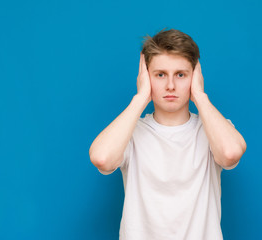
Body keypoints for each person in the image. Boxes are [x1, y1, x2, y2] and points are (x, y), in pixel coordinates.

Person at [89, 28, 247, 240]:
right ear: (146, 77)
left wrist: (199, 95)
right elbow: (102, 158)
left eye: (181, 75)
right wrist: (141, 97)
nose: (170, 85)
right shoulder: (130, 132)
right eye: (160, 75)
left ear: (195, 76)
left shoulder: (212, 128)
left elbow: (230, 154)